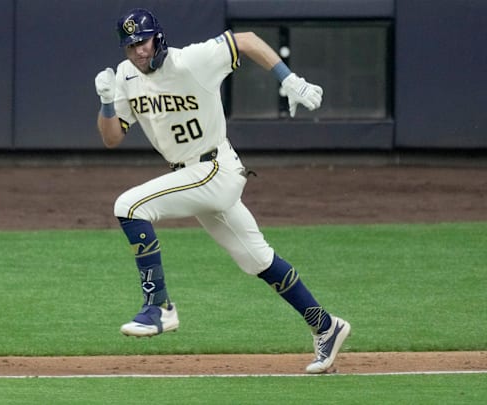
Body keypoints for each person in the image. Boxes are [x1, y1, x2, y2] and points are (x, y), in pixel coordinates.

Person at [94, 8, 351, 374]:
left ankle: (159, 307)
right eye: (131, 44)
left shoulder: (192, 62)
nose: (138, 51)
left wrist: (289, 79)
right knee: (257, 260)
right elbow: (112, 138)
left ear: (159, 37)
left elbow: (244, 40)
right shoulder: (125, 76)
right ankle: (326, 326)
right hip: (193, 175)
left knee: (130, 206)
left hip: (214, 167)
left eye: (144, 41)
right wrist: (106, 102)